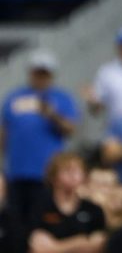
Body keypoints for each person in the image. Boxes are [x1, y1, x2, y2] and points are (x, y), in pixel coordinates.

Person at [1, 50, 79, 231]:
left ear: (51, 74)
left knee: (43, 223)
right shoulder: (14, 97)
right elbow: (3, 132)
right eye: (37, 72)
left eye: (44, 73)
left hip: (48, 175)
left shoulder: (61, 98)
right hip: (16, 172)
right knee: (16, 222)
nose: (40, 77)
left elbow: (70, 129)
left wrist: (52, 114)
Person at [27, 152, 106, 253]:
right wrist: (79, 242)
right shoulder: (40, 207)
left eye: (77, 171)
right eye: (67, 170)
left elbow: (98, 245)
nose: (73, 175)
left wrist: (54, 248)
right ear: (53, 177)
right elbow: (37, 246)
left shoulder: (93, 210)